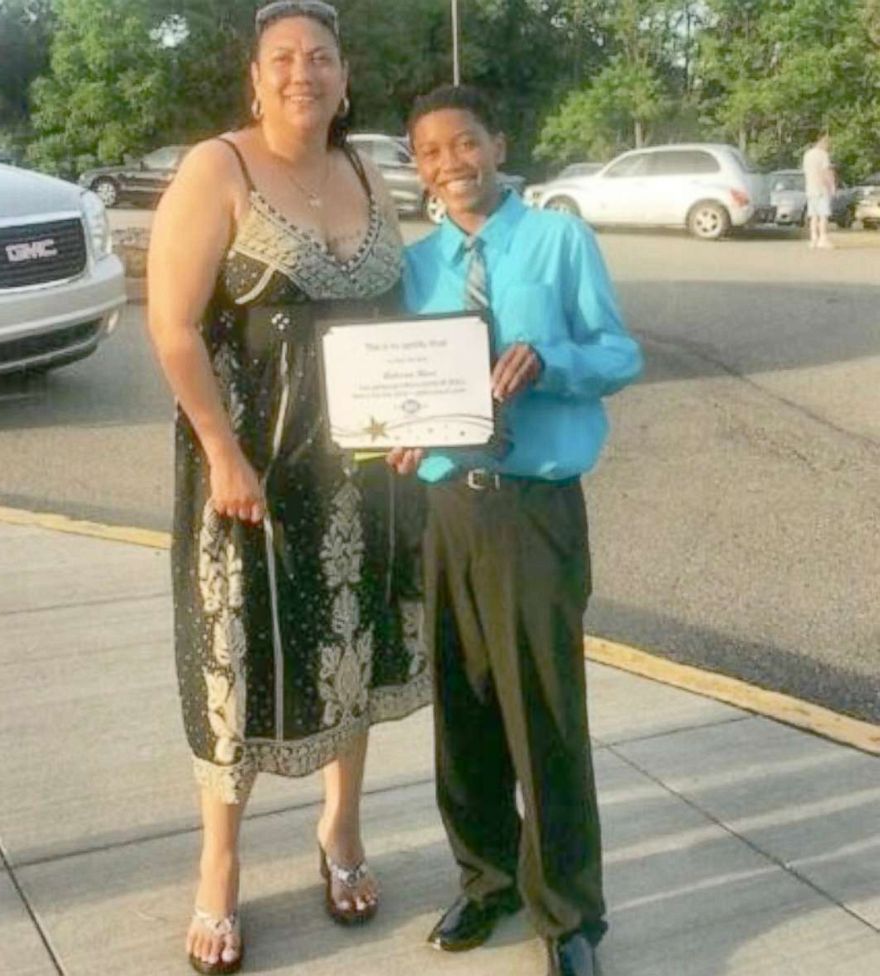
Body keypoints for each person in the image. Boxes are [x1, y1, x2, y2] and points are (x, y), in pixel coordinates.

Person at [147, 3, 429, 972]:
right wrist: (223, 451)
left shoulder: (365, 172)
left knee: (348, 646)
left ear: (345, 81)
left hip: (359, 468)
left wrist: (417, 416)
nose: (301, 72)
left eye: (320, 57)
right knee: (241, 660)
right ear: (253, 80)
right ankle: (218, 867)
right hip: (252, 475)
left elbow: (395, 315)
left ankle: (339, 830)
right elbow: (173, 325)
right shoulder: (214, 169)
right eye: (282, 58)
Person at [388, 85, 642, 976]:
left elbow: (621, 352)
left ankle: (568, 916)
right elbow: (401, 381)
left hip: (535, 509)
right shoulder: (417, 266)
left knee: (546, 715)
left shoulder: (557, 240)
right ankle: (488, 880)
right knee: (464, 712)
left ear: (498, 143)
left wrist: (553, 361)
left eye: (464, 144)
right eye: (429, 152)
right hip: (450, 506)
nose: (450, 164)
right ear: (416, 167)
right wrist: (398, 432)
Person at [802, 134, 836, 249]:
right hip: (821, 189)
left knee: (813, 216)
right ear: (822, 141)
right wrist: (831, 186)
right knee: (823, 215)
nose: (828, 146)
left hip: (810, 188)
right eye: (827, 143)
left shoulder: (807, 155)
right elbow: (825, 172)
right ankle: (823, 238)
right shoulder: (823, 155)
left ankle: (813, 238)